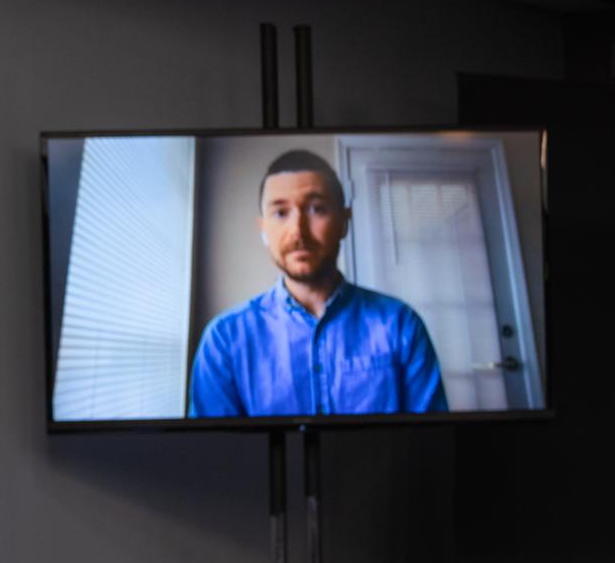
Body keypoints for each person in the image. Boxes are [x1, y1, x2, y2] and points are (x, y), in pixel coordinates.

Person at [189, 149, 446, 417]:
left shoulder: (400, 324)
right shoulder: (224, 340)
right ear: (263, 228)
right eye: (280, 213)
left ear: (344, 222)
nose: (298, 231)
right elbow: (216, 455)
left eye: (317, 209)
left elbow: (431, 445)